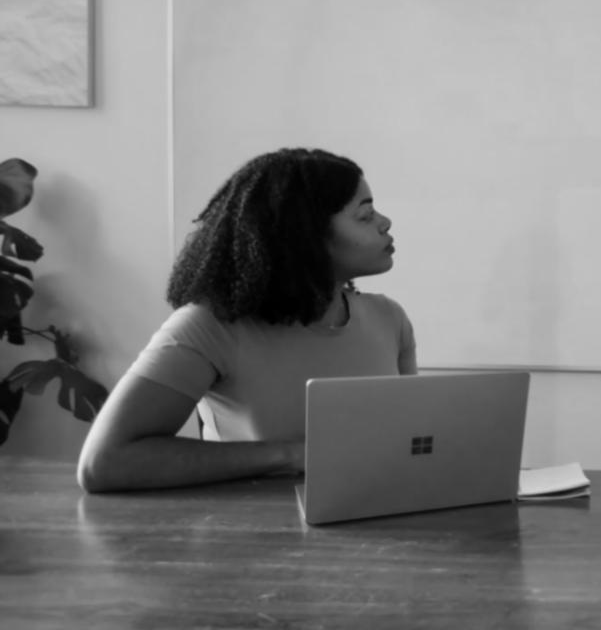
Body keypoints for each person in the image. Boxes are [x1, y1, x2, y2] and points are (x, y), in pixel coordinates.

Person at [78, 148, 416, 493]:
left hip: (373, 525)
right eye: (365, 214)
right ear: (304, 235)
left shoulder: (389, 318)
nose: (384, 222)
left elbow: (408, 444)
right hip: (251, 536)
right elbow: (105, 463)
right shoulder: (208, 326)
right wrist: (293, 455)